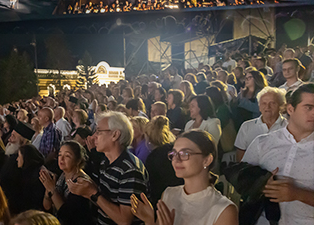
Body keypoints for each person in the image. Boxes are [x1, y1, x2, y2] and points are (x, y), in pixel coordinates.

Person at [242, 83, 314, 225]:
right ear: (290, 109)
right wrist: (259, 183)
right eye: (309, 107)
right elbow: (240, 178)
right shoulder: (263, 143)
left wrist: (298, 194)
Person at [131, 130, 238, 225]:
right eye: (174, 153)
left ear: (207, 160)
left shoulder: (224, 210)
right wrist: (149, 221)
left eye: (185, 153)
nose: (176, 159)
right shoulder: (169, 194)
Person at [68, 111, 148, 225]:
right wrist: (86, 189)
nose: (93, 136)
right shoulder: (106, 161)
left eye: (99, 131)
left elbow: (125, 220)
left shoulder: (130, 169)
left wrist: (93, 192)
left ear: (115, 135)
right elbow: (106, 202)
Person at [40, 141, 92, 225]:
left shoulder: (81, 182)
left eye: (67, 156)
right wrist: (48, 190)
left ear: (78, 160)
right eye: (60, 155)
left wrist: (52, 189)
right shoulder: (62, 176)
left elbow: (67, 216)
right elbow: (47, 206)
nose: (61, 159)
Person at [235, 86, 287, 161]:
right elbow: (240, 157)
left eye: (272, 103)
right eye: (264, 103)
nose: (267, 107)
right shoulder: (246, 127)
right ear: (259, 107)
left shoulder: (289, 127)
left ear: (281, 106)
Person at [144, 116, 183, 206]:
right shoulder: (174, 149)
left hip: (163, 203)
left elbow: (152, 185)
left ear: (148, 137)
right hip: (183, 197)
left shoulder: (153, 157)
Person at [15, 144, 45, 213]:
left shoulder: (34, 176)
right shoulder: (28, 172)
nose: (17, 159)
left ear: (26, 158)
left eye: (19, 156)